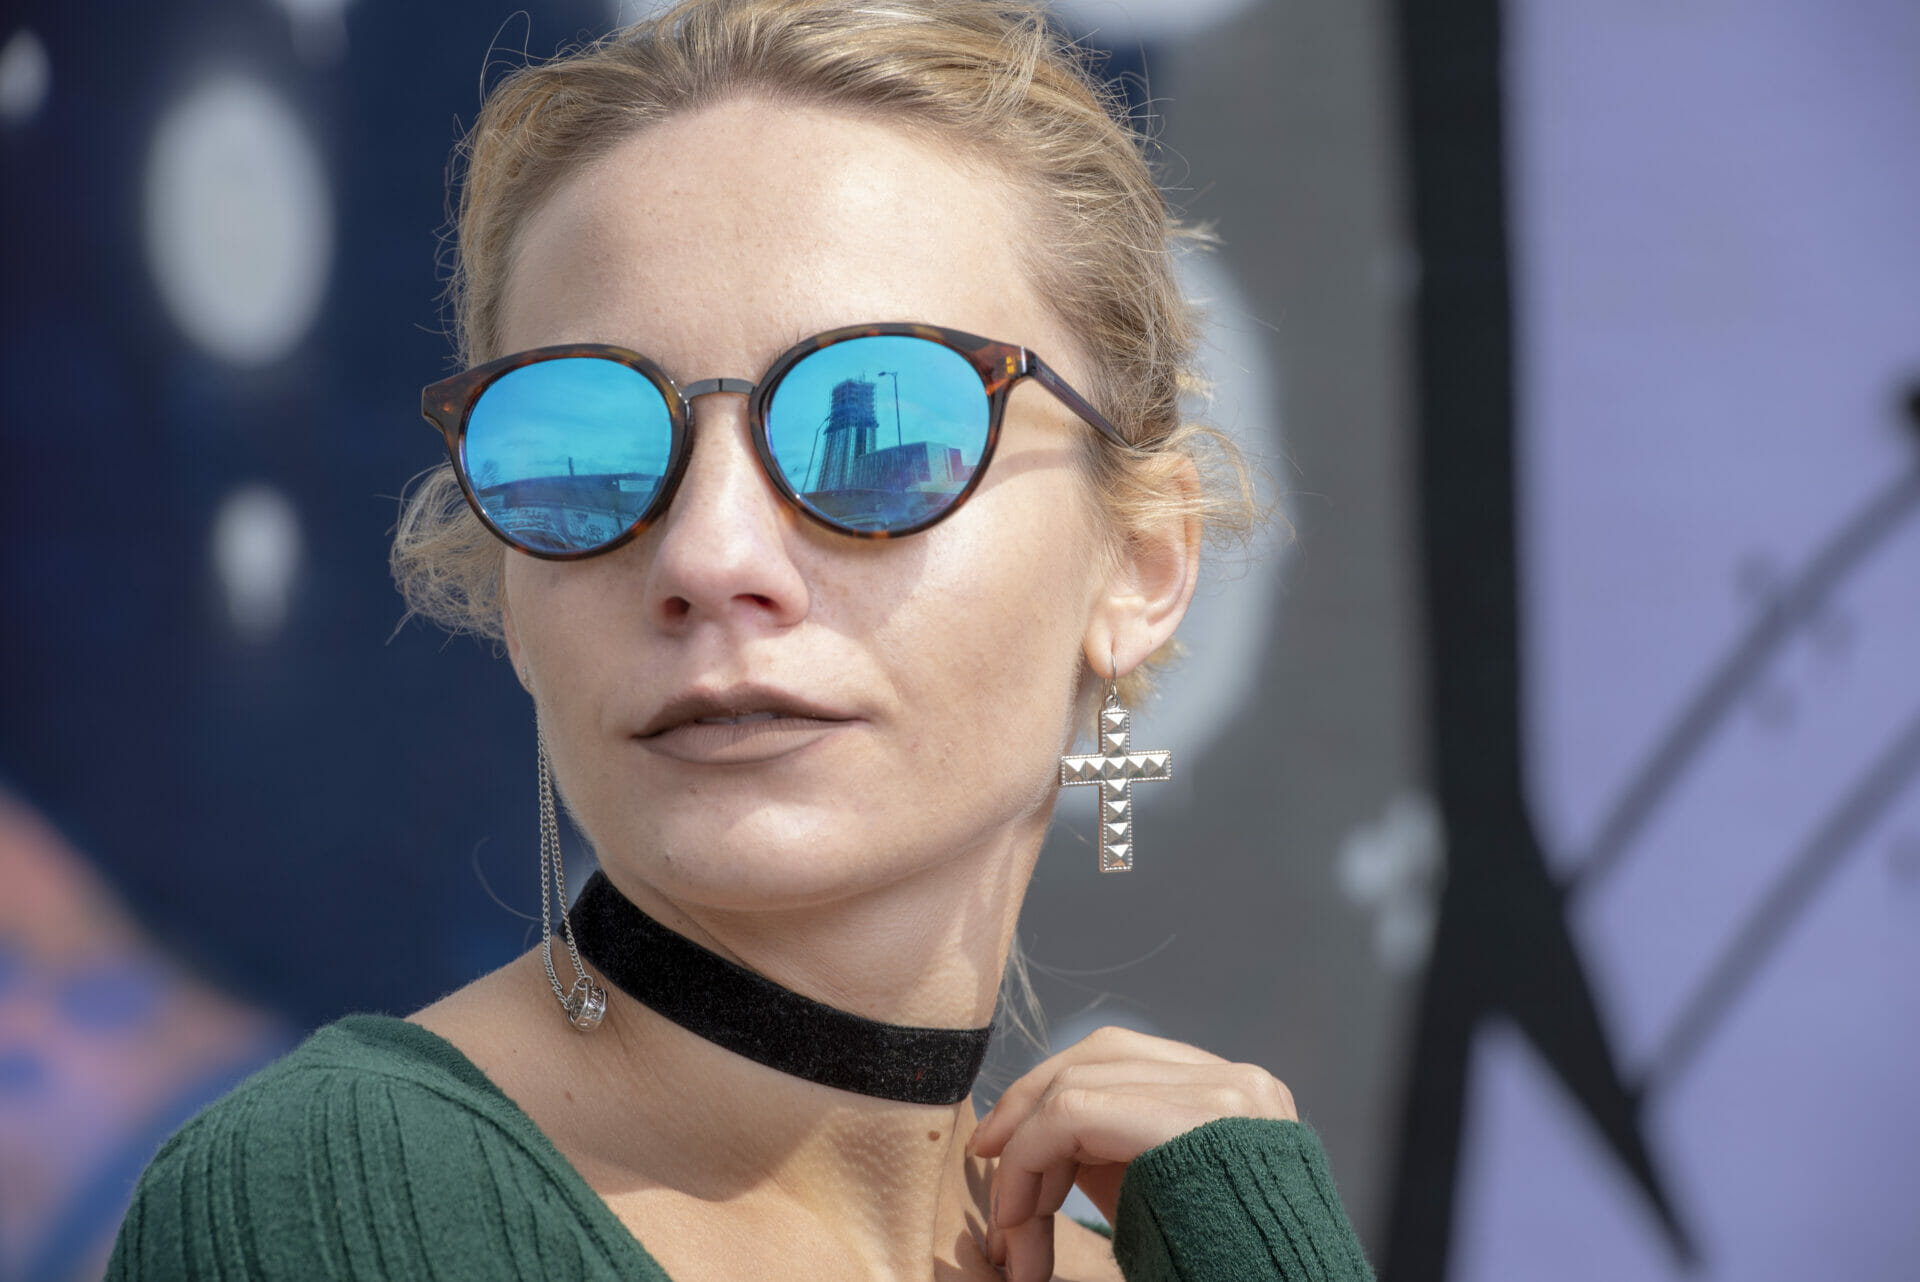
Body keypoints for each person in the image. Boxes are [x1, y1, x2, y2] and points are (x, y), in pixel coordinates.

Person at [108, 2, 1374, 1278]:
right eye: (588, 452)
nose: (708, 558)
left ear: (1143, 567)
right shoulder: (344, 1190)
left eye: (878, 433)